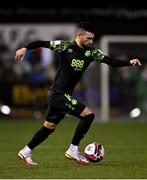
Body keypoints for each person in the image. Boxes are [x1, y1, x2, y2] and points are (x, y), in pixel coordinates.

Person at [15, 22, 142, 166]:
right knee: (88, 116)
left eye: (92, 38)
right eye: (88, 38)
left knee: (48, 128)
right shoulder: (64, 46)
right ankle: (73, 150)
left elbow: (111, 61)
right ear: (79, 35)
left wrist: (129, 62)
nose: (91, 41)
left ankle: (25, 151)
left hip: (61, 95)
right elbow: (41, 43)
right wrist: (25, 48)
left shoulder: (92, 52)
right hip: (58, 94)